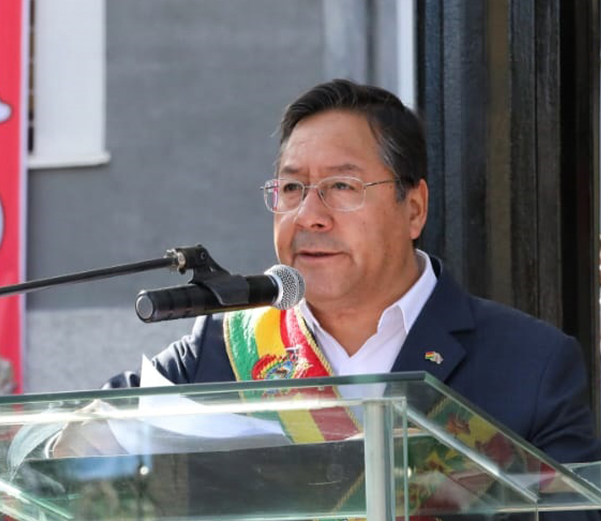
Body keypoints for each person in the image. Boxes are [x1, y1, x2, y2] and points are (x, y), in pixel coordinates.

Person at [108, 79, 600, 466]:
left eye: (341, 186)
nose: (308, 215)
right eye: (292, 188)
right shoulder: (216, 352)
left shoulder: (531, 365)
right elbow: (73, 445)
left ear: (414, 208)